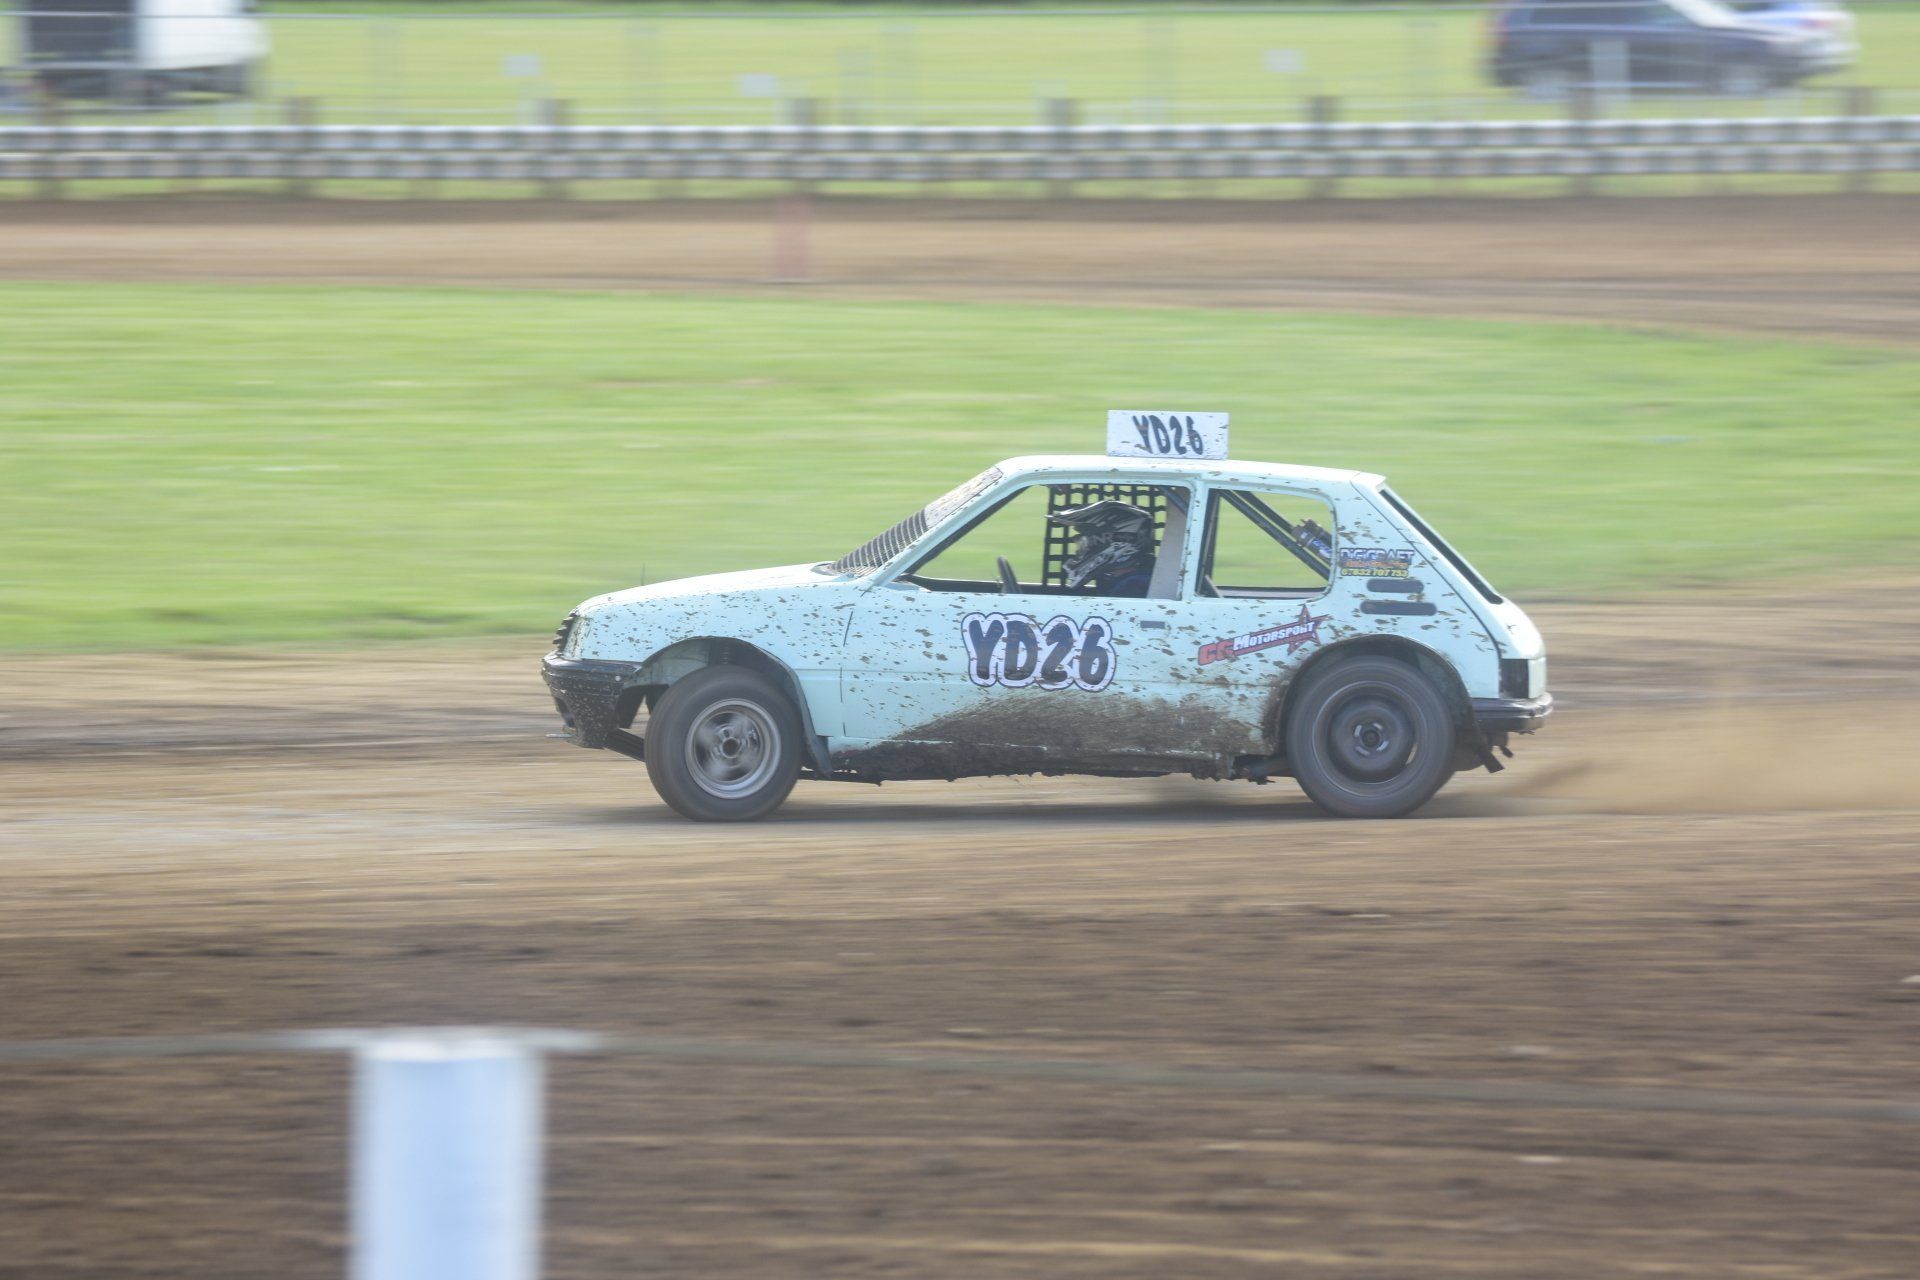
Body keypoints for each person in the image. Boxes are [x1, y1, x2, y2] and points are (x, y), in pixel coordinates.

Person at [1050, 500, 1157, 597]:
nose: (1078, 552)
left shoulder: (1133, 587)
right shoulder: (1124, 580)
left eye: (1086, 545)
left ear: (1115, 544)